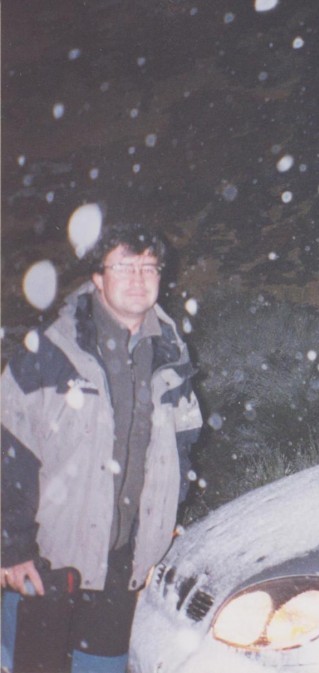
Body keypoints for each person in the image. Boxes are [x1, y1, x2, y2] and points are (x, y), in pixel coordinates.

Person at [1, 222, 203, 673]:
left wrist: (160, 528)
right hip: (48, 558)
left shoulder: (171, 354)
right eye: (124, 267)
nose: (138, 278)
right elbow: (7, 450)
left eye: (149, 268)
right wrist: (10, 547)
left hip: (122, 563)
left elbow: (184, 443)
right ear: (97, 277)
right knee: (30, 665)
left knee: (103, 668)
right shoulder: (49, 354)